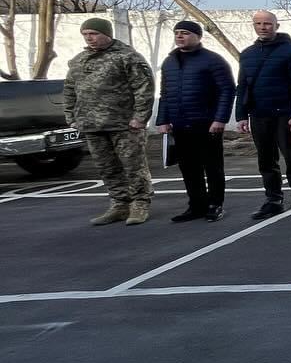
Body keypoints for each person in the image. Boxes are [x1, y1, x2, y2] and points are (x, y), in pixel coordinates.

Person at [63, 17, 155, 226]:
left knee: (134, 166)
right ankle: (119, 204)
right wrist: (71, 116)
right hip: (92, 125)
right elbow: (70, 89)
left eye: (93, 34)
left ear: (107, 34)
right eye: (86, 35)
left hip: (124, 125)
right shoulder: (79, 61)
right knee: (107, 168)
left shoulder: (127, 57)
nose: (89, 39)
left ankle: (140, 203)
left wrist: (140, 118)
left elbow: (144, 89)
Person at [155, 20, 235, 223]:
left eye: (185, 33)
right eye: (177, 33)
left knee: (213, 166)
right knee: (189, 168)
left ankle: (215, 204)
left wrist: (220, 119)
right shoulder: (169, 62)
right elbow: (165, 93)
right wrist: (163, 119)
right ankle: (196, 205)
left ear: (198, 36)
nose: (180, 36)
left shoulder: (213, 60)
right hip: (180, 124)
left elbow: (227, 90)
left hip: (207, 124)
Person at [235, 10, 291, 219]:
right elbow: (242, 85)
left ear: (276, 25)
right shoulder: (248, 54)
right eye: (258, 23)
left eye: (267, 23)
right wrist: (241, 115)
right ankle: (273, 200)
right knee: (266, 161)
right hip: (259, 115)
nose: (263, 27)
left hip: (285, 115)